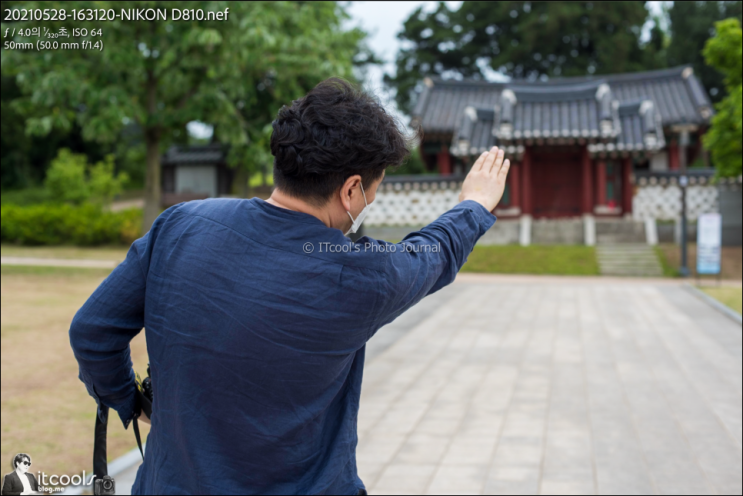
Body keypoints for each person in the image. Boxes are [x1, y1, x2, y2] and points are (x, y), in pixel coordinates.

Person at [69, 77, 510, 495]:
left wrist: (134, 402)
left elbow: (92, 330)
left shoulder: (182, 224)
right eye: (372, 191)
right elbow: (434, 253)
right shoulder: (360, 273)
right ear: (352, 189)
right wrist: (473, 205)